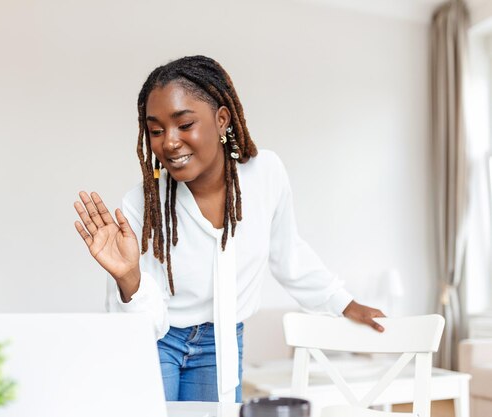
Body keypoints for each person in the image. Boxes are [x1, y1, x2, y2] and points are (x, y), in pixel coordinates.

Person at [74, 55, 385, 404]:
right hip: (160, 340)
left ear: (222, 120)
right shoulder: (141, 205)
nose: (169, 142)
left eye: (184, 124)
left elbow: (288, 253)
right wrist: (128, 278)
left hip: (222, 342)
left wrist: (343, 302)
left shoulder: (266, 174)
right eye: (156, 130)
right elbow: (137, 328)